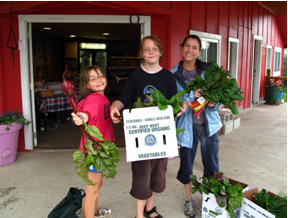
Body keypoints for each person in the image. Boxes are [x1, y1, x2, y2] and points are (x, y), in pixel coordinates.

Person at [110, 35, 186, 218]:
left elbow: (174, 103)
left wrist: (180, 108)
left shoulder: (168, 77)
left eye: (154, 48)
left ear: (160, 52)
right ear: (141, 54)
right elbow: (124, 98)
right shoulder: (136, 76)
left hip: (161, 134)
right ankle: (138, 214)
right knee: (141, 173)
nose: (151, 52)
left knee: (158, 173)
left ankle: (150, 208)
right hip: (140, 134)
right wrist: (115, 106)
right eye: (146, 49)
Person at [170, 35, 223, 218]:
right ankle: (189, 200)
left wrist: (213, 103)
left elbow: (219, 102)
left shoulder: (209, 71)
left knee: (211, 165)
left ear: (199, 52)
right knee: (186, 166)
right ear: (181, 48)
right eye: (187, 46)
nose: (190, 50)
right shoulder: (173, 74)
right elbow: (174, 101)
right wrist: (193, 94)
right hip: (187, 127)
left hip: (209, 126)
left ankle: (209, 199)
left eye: (194, 48)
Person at [71, 65, 113, 218]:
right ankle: (90, 213)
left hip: (101, 150)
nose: (99, 80)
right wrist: (84, 117)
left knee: (97, 184)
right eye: (93, 79)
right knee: (92, 191)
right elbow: (88, 113)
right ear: (87, 85)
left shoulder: (103, 98)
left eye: (101, 76)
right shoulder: (93, 100)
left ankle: (95, 211)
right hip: (95, 152)